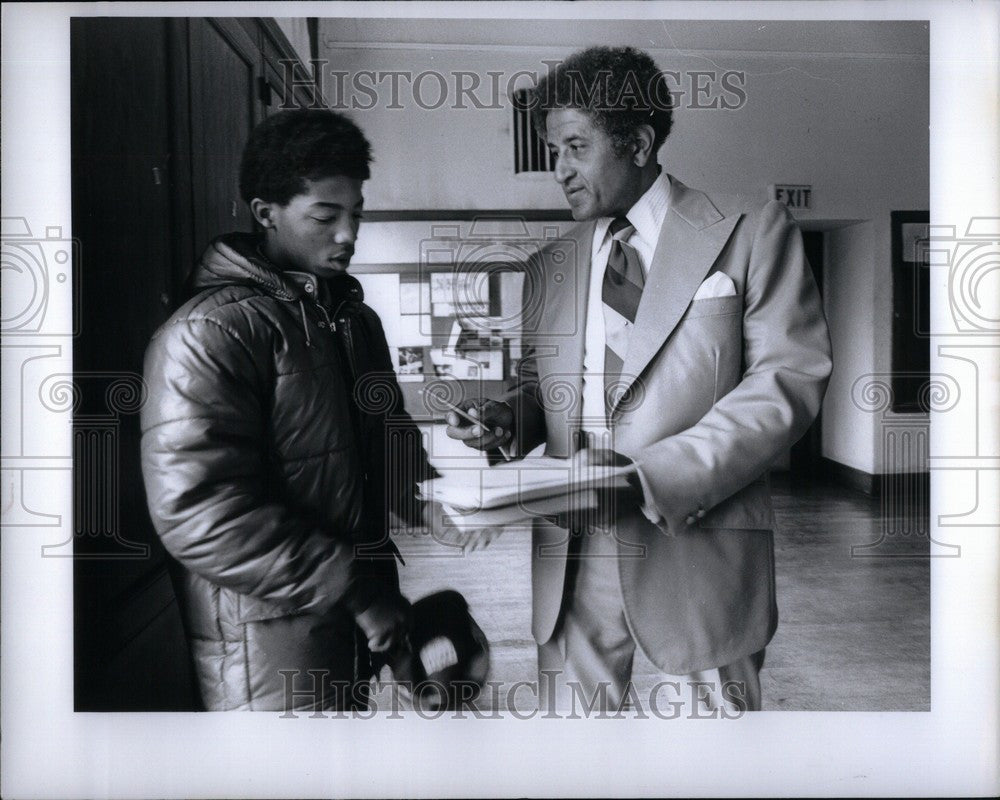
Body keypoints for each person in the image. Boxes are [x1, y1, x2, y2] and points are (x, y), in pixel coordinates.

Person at [446, 46, 832, 713]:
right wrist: (514, 418)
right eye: (552, 150)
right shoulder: (551, 265)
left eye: (573, 146)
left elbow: (785, 383)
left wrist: (651, 477)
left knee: (715, 756)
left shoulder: (749, 232)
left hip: (698, 542)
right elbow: (549, 390)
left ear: (639, 142)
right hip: (571, 555)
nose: (557, 168)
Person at [140, 109, 437, 712]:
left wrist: (435, 495)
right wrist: (354, 588)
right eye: (325, 217)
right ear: (265, 212)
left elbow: (387, 443)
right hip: (265, 653)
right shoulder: (209, 331)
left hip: (348, 630)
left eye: (356, 214)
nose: (348, 234)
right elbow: (200, 512)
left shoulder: (355, 322)